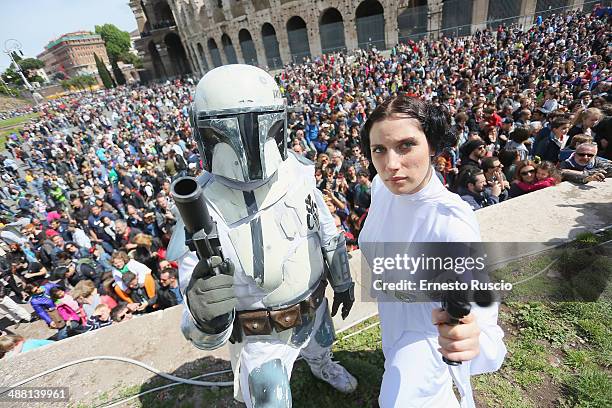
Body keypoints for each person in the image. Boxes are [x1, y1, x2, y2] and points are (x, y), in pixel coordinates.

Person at [171, 65, 357, 407]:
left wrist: (341, 279)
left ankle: (322, 365)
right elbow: (197, 303)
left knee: (323, 344)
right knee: (271, 398)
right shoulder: (199, 207)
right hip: (262, 335)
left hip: (315, 306)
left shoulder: (298, 173)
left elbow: (325, 230)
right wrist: (203, 315)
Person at [358, 96, 506, 407]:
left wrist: (470, 337)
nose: (391, 164)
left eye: (406, 145)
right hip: (393, 319)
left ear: (433, 146)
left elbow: (480, 312)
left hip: (425, 337)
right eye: (379, 150)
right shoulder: (381, 186)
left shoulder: (451, 222)